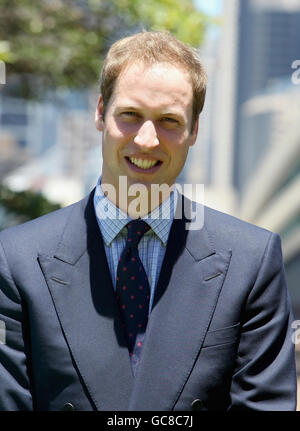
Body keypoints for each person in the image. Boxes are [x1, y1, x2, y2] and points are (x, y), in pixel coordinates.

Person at [0, 30, 297, 411]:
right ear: (99, 112)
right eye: (130, 115)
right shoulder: (16, 261)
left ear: (194, 131)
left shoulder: (252, 262)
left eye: (169, 121)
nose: (147, 140)